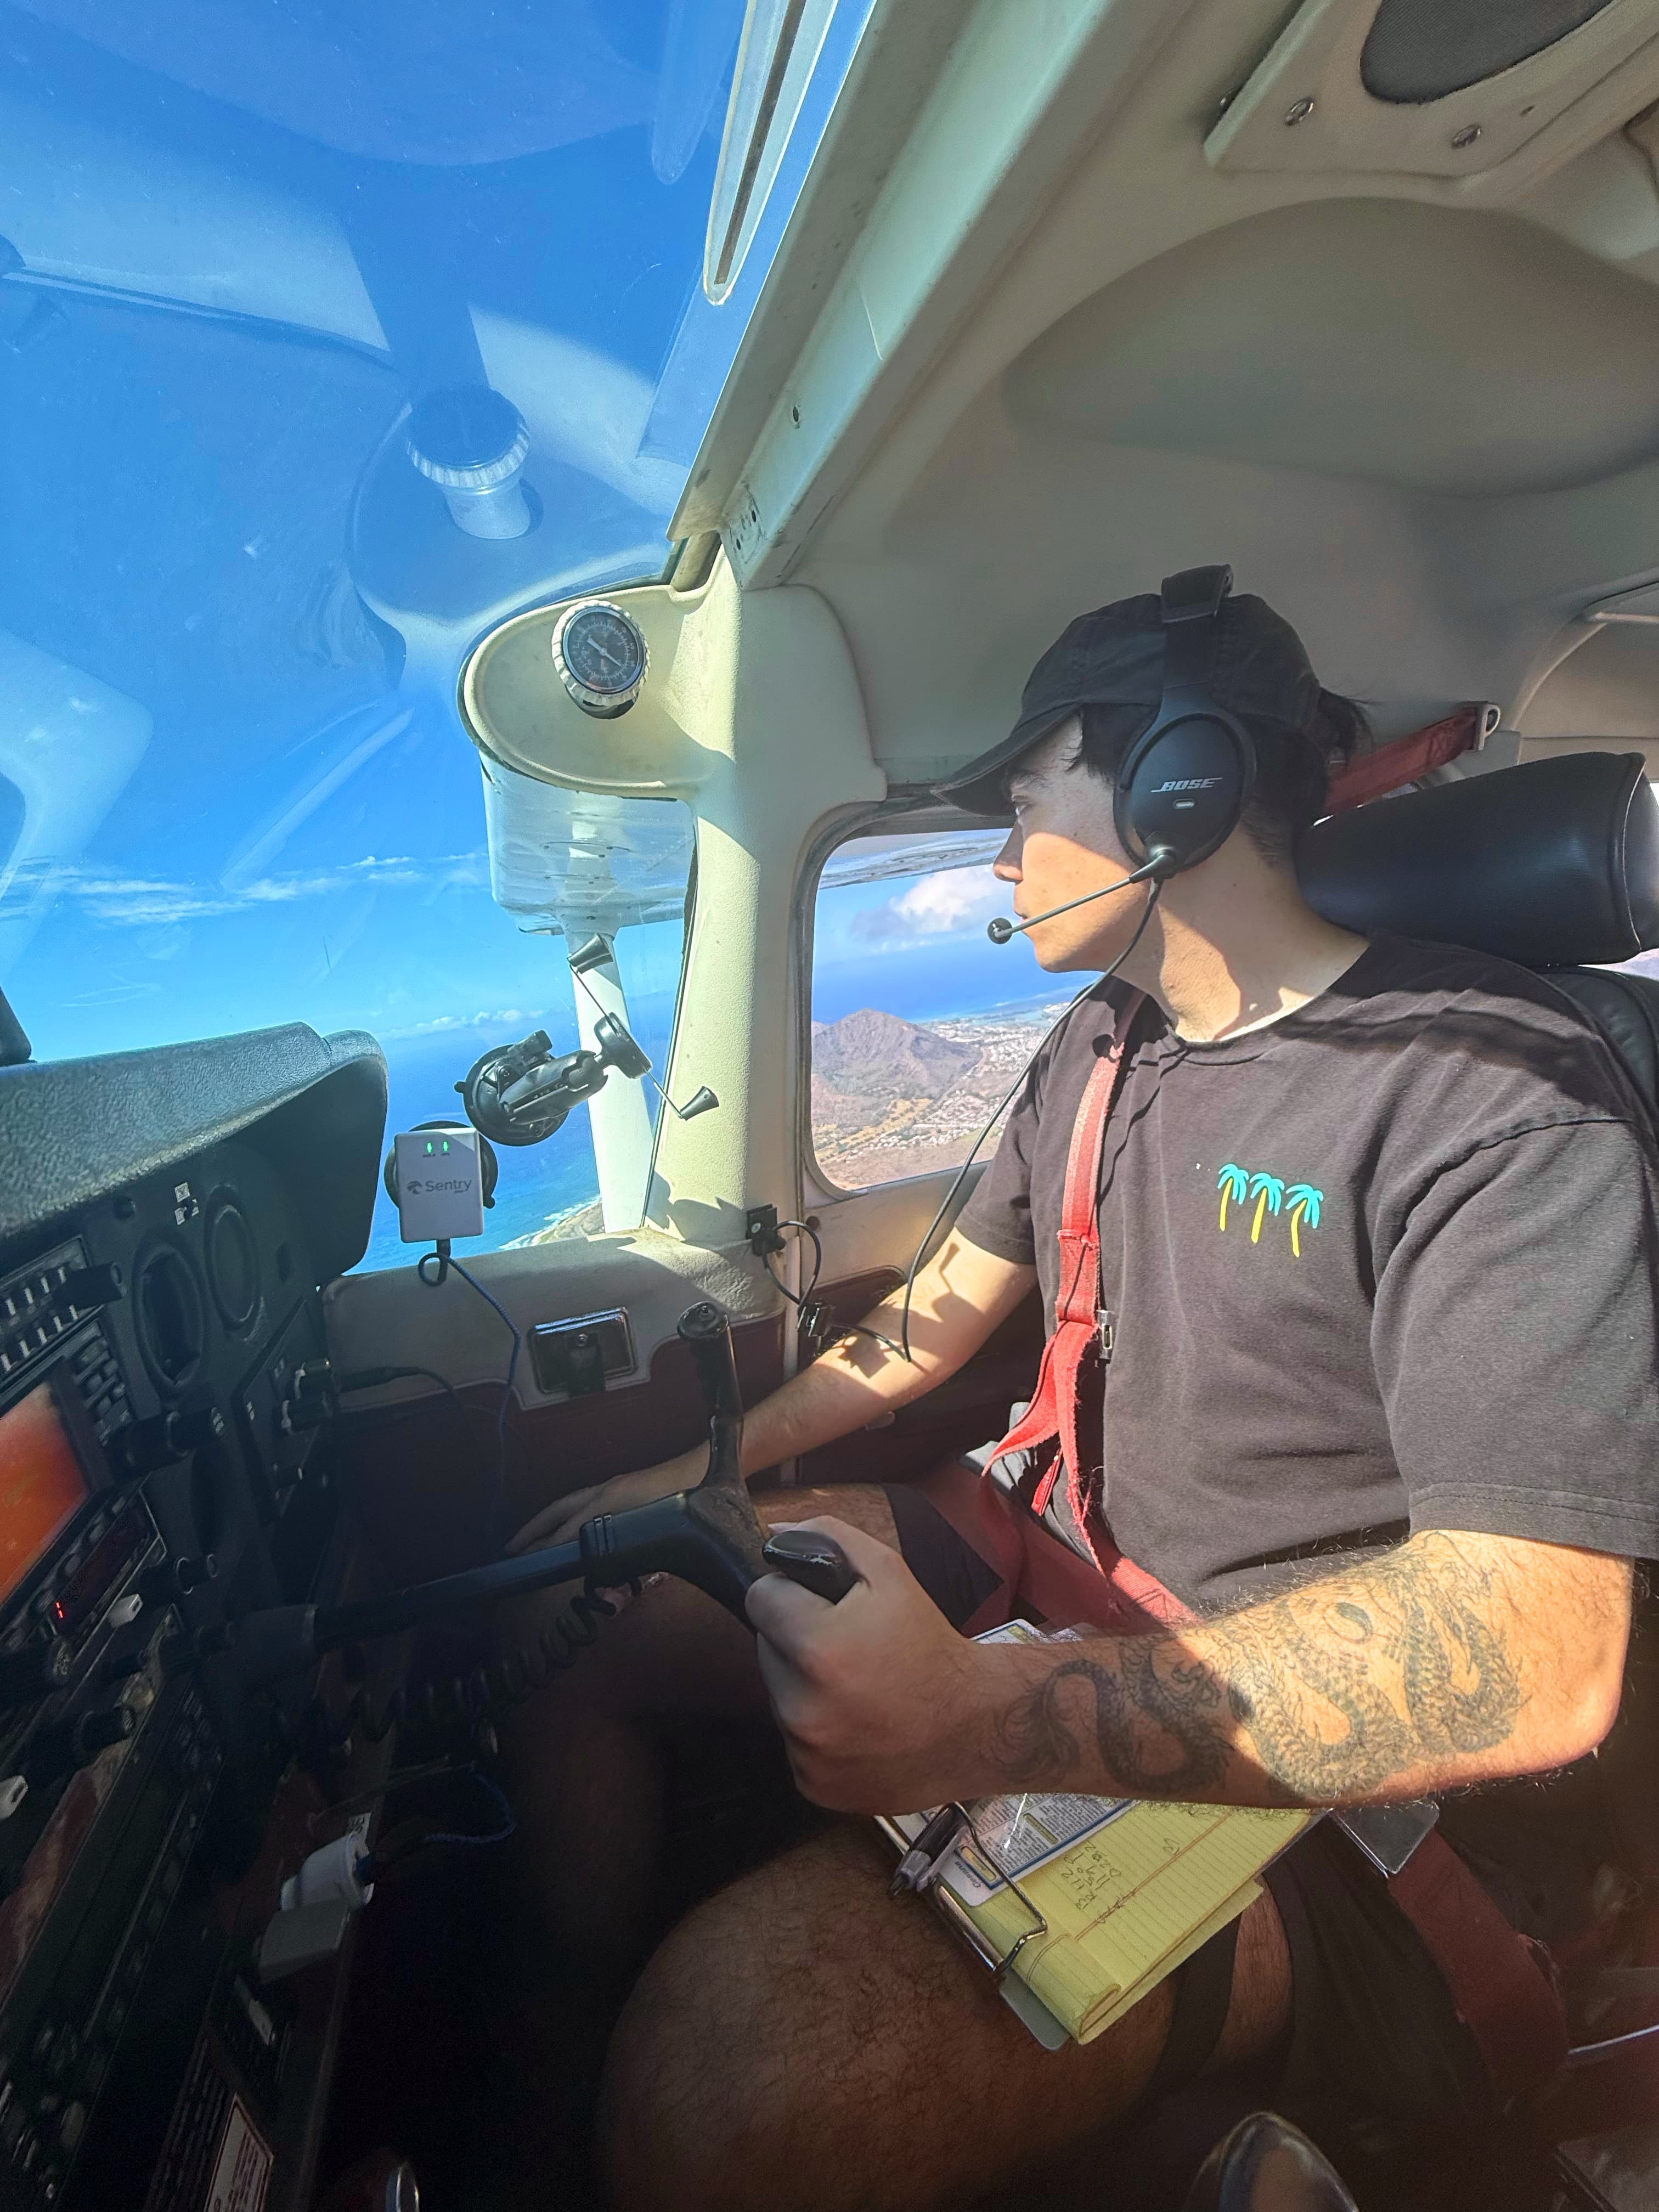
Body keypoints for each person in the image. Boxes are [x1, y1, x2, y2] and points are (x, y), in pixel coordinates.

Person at [501, 581, 1658, 2211]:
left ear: (1173, 789)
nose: (996, 850)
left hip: (1332, 1789)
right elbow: (921, 1333)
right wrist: (685, 1479)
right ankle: (533, 2065)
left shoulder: (1493, 1101)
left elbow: (1529, 1656)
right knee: (591, 1605)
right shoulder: (1103, 1048)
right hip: (1051, 1568)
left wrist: (961, 1717)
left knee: (728, 2075)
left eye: (1024, 798)